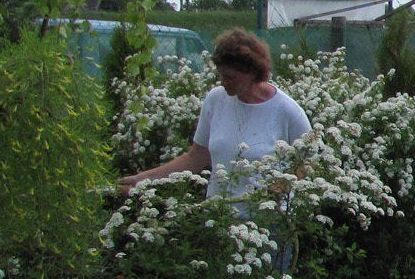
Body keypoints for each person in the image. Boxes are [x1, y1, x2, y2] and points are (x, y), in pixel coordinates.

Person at [118, 29, 311, 201]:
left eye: (231, 77)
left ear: (253, 72)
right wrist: (144, 179)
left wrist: (280, 188)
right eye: (221, 75)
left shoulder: (287, 111)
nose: (224, 82)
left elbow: (308, 163)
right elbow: (197, 157)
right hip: (219, 218)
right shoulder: (216, 100)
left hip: (268, 225)